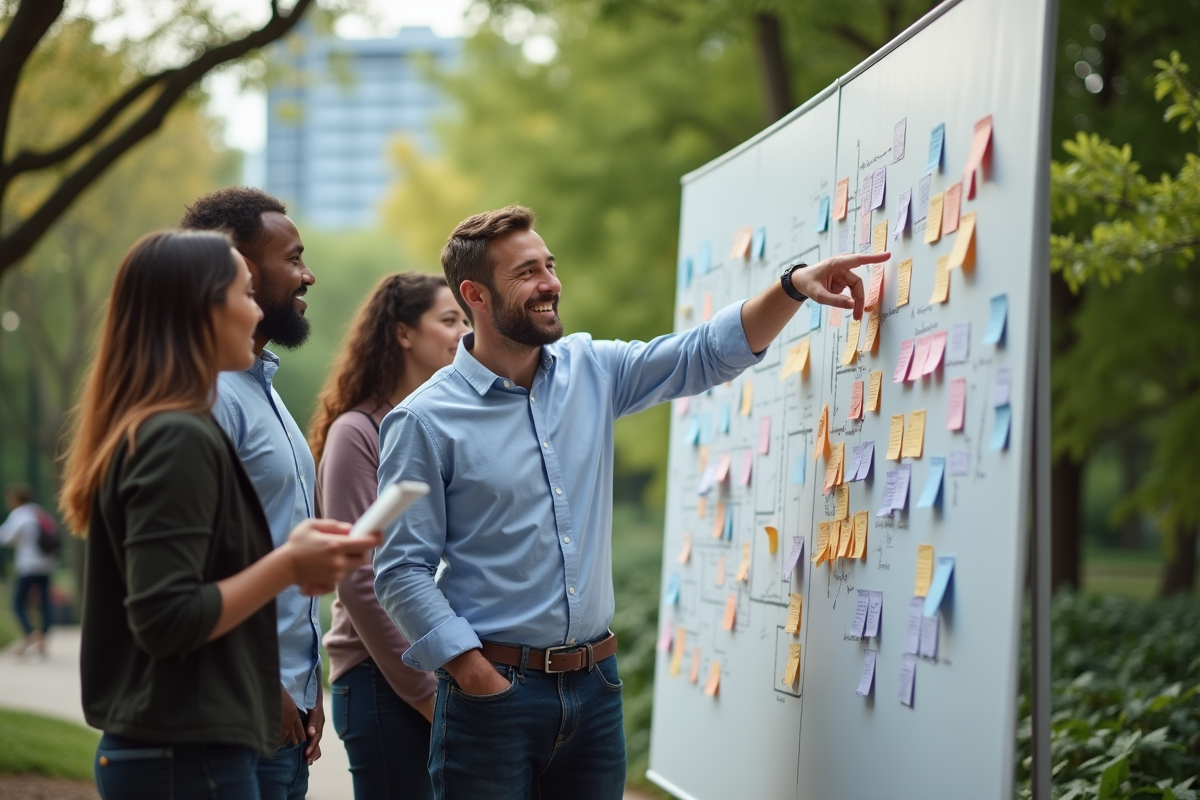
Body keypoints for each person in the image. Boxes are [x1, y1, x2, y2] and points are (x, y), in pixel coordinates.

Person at [374, 205, 886, 799]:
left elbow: (705, 353)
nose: (550, 283)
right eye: (526, 273)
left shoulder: (591, 368)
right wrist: (473, 672)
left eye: (550, 265)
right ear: (475, 294)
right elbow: (401, 568)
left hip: (596, 687)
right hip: (494, 697)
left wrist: (793, 286)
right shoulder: (423, 419)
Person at [59, 230, 380, 800]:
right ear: (202, 310)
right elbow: (168, 618)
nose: (257, 311)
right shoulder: (174, 436)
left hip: (185, 749)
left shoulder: (169, 426)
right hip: (185, 755)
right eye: (244, 294)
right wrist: (286, 564)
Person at [180, 188, 325, 800]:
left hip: (286, 713)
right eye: (293, 258)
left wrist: (306, 687)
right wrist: (265, 683)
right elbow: (199, 565)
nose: (307, 274)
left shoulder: (265, 391)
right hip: (239, 712)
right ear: (239, 267)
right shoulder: (208, 394)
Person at [309, 272, 471, 800]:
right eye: (449, 320)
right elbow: (359, 578)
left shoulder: (449, 422)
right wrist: (429, 695)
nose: (464, 334)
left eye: (467, 321)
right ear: (403, 333)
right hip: (383, 678)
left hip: (449, 670)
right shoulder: (357, 433)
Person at [0, 483, 56, 658]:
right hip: (46, 564)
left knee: (18, 602)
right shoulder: (40, 512)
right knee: (44, 603)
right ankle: (42, 639)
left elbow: (6, 537)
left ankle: (31, 634)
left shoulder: (20, 514)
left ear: (15, 499)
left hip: (28, 565)